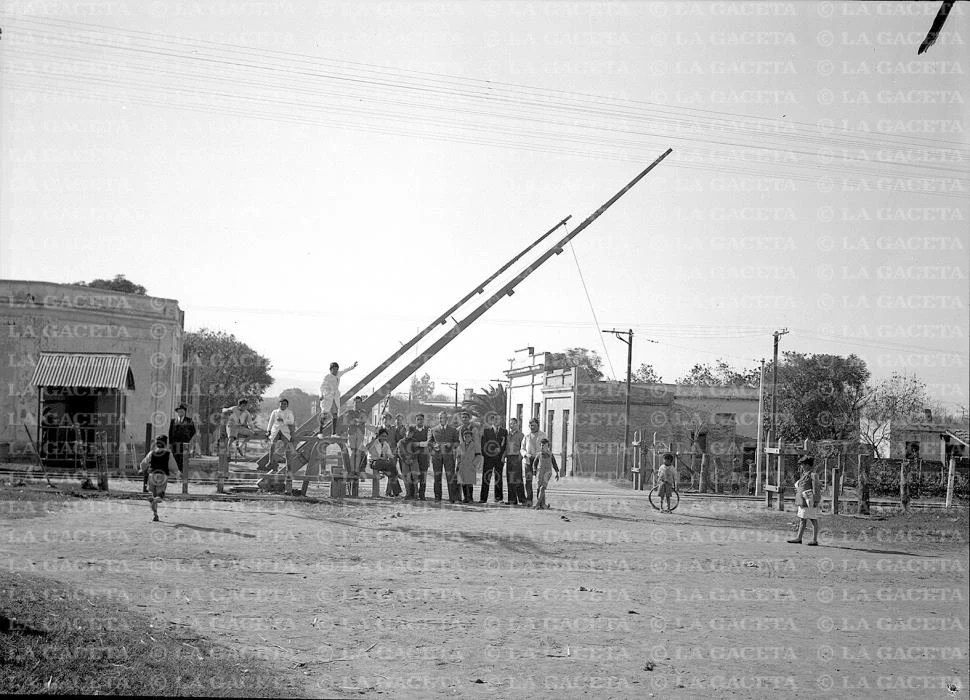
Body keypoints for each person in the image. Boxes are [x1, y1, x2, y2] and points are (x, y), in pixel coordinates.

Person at [140, 436, 181, 522]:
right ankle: (156, 500)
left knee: (153, 494)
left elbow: (144, 463)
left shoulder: (151, 453)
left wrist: (142, 468)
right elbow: (173, 466)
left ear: (156, 443)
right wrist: (177, 473)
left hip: (152, 475)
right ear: (165, 444)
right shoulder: (168, 454)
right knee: (160, 496)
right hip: (162, 476)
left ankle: (155, 515)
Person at [319, 361, 358, 435]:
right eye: (334, 369)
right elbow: (321, 387)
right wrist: (321, 395)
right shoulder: (327, 377)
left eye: (336, 369)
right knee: (324, 414)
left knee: (335, 415)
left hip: (335, 397)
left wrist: (353, 366)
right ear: (330, 370)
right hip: (328, 397)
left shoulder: (338, 374)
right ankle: (320, 431)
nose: (335, 371)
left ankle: (333, 433)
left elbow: (345, 370)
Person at [788, 456, 820, 546]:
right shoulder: (805, 474)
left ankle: (814, 540)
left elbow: (816, 488)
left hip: (809, 501)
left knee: (813, 519)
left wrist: (816, 500)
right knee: (802, 519)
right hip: (802, 501)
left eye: (802, 465)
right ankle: (799, 538)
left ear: (806, 465)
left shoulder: (813, 475)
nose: (801, 466)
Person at [429, 411, 460, 503]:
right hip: (437, 456)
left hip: (449, 457)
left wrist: (451, 444)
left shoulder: (453, 430)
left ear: (447, 419)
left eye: (442, 418)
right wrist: (434, 446)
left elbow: (457, 442)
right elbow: (429, 442)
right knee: (437, 476)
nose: (440, 420)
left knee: (450, 477)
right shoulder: (433, 429)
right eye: (439, 418)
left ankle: (452, 498)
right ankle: (437, 497)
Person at [480, 413, 508, 503]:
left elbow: (505, 445)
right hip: (488, 458)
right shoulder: (486, 431)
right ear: (492, 420)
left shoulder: (504, 431)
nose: (497, 421)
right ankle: (483, 498)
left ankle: (498, 498)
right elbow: (483, 445)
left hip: (499, 459)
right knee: (486, 478)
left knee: (498, 478)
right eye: (495, 419)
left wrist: (503, 455)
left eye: (499, 419)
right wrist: (491, 451)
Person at [367, 428, 402, 496]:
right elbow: (367, 447)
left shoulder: (386, 444)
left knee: (392, 474)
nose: (384, 438)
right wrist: (374, 439)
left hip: (383, 463)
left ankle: (396, 493)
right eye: (382, 436)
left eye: (385, 436)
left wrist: (394, 467)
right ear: (379, 436)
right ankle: (398, 477)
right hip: (373, 462)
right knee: (390, 465)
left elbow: (390, 456)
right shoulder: (374, 442)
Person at [521, 418, 546, 506]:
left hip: (539, 461)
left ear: (538, 425)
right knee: (528, 481)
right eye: (530, 425)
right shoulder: (526, 437)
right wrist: (525, 454)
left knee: (540, 481)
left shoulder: (543, 435)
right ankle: (529, 500)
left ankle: (541, 501)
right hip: (528, 461)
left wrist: (539, 455)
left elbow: (546, 448)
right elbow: (522, 449)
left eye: (534, 425)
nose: (532, 427)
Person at [266, 398, 296, 467]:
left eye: (285, 404)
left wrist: (283, 420)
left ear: (287, 405)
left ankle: (287, 464)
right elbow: (270, 422)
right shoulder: (275, 412)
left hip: (285, 431)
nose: (283, 405)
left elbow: (291, 421)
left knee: (287, 446)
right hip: (276, 430)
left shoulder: (289, 412)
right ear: (279, 404)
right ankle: (270, 461)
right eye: (282, 403)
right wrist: (268, 430)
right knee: (272, 445)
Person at [455, 427, 483, 504]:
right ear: (463, 438)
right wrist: (459, 463)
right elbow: (458, 456)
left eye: (468, 437)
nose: (467, 438)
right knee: (463, 482)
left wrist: (474, 464)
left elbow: (478, 456)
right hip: (463, 466)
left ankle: (470, 498)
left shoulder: (475, 445)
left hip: (470, 466)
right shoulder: (461, 445)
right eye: (465, 437)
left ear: (471, 437)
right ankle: (465, 498)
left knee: (470, 483)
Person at [531, 438, 560, 509]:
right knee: (538, 488)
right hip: (539, 472)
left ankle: (537, 504)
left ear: (548, 447)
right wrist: (534, 472)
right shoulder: (538, 454)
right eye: (541, 445)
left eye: (544, 445)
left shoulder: (550, 454)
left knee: (542, 488)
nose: (542, 447)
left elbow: (554, 463)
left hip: (547, 473)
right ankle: (543, 505)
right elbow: (534, 464)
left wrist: (557, 473)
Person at [344, 396, 368, 476]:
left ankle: (357, 470)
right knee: (353, 452)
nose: (357, 404)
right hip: (352, 433)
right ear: (353, 403)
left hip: (360, 432)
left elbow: (364, 420)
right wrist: (357, 421)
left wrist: (356, 421)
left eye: (359, 402)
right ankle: (352, 470)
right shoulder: (350, 412)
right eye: (356, 402)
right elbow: (348, 421)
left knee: (358, 452)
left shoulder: (363, 412)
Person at [505, 418, 526, 506]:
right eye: (510, 424)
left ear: (517, 424)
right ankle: (512, 500)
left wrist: (520, 458)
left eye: (513, 423)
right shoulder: (508, 435)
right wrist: (504, 456)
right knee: (510, 479)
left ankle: (522, 499)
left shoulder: (521, 435)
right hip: (509, 458)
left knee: (518, 479)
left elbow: (523, 447)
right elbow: (506, 447)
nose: (511, 425)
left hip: (517, 458)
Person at [411, 414, 432, 501]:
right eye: (418, 419)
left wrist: (418, 444)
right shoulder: (412, 430)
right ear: (415, 420)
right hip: (414, 456)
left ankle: (422, 494)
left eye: (421, 419)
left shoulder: (428, 429)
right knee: (414, 475)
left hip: (424, 456)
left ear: (423, 420)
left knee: (423, 476)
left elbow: (428, 442)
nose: (420, 421)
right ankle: (414, 494)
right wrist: (420, 444)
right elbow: (411, 442)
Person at [397, 427, 420, 500]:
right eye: (408, 432)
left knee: (415, 477)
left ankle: (416, 493)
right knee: (406, 477)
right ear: (405, 432)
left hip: (413, 461)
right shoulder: (401, 442)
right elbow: (400, 452)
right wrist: (405, 459)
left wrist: (412, 459)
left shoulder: (414, 441)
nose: (410, 434)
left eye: (411, 433)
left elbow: (416, 451)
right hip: (404, 461)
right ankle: (408, 493)